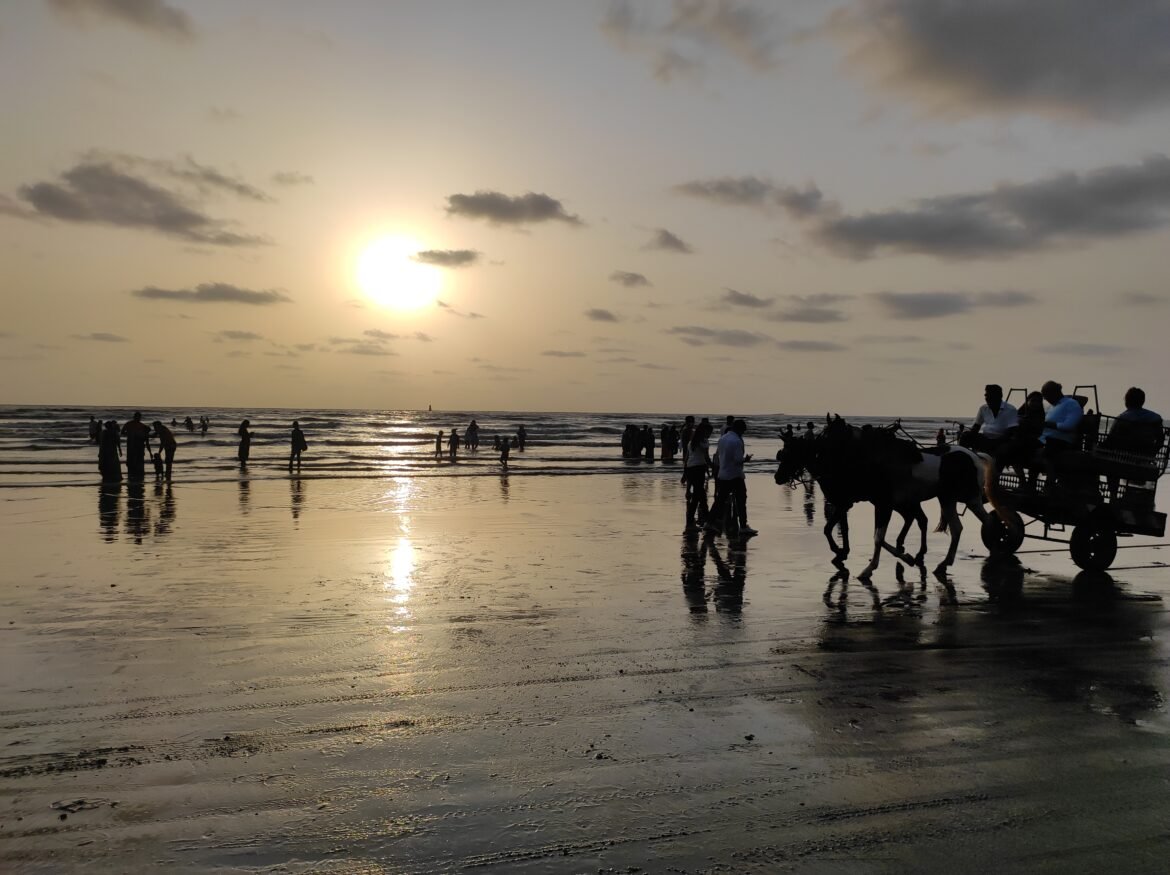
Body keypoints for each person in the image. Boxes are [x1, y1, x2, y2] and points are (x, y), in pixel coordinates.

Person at [708, 419, 756, 536]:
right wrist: (746, 459)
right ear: (740, 429)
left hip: (723, 473)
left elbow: (720, 454)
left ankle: (709, 522)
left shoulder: (723, 438)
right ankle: (743, 526)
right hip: (735, 475)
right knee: (741, 499)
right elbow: (738, 460)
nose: (743, 433)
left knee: (720, 500)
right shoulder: (737, 441)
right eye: (743, 431)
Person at [967, 384, 1018, 454]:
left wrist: (995, 442)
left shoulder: (1010, 409)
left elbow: (1012, 431)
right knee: (965, 436)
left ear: (999, 396)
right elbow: (976, 426)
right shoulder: (983, 408)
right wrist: (970, 434)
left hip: (1002, 440)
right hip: (986, 438)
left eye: (990, 395)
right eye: (986, 396)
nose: (987, 398)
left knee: (1002, 450)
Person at [683, 420, 713, 532]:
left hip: (691, 469)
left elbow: (686, 459)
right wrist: (713, 467)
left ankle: (704, 521)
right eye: (709, 432)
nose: (709, 435)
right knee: (699, 496)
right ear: (704, 432)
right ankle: (698, 522)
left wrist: (685, 473)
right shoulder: (703, 442)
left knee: (699, 496)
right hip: (698, 469)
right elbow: (706, 457)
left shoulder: (691, 442)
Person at [121, 412, 151, 481]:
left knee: (137, 460)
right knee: (134, 460)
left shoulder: (141, 425)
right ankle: (135, 474)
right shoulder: (131, 424)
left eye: (138, 417)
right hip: (133, 444)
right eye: (137, 417)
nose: (138, 418)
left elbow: (123, 432)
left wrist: (130, 434)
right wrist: (130, 434)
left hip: (137, 445)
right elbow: (122, 432)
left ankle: (136, 475)